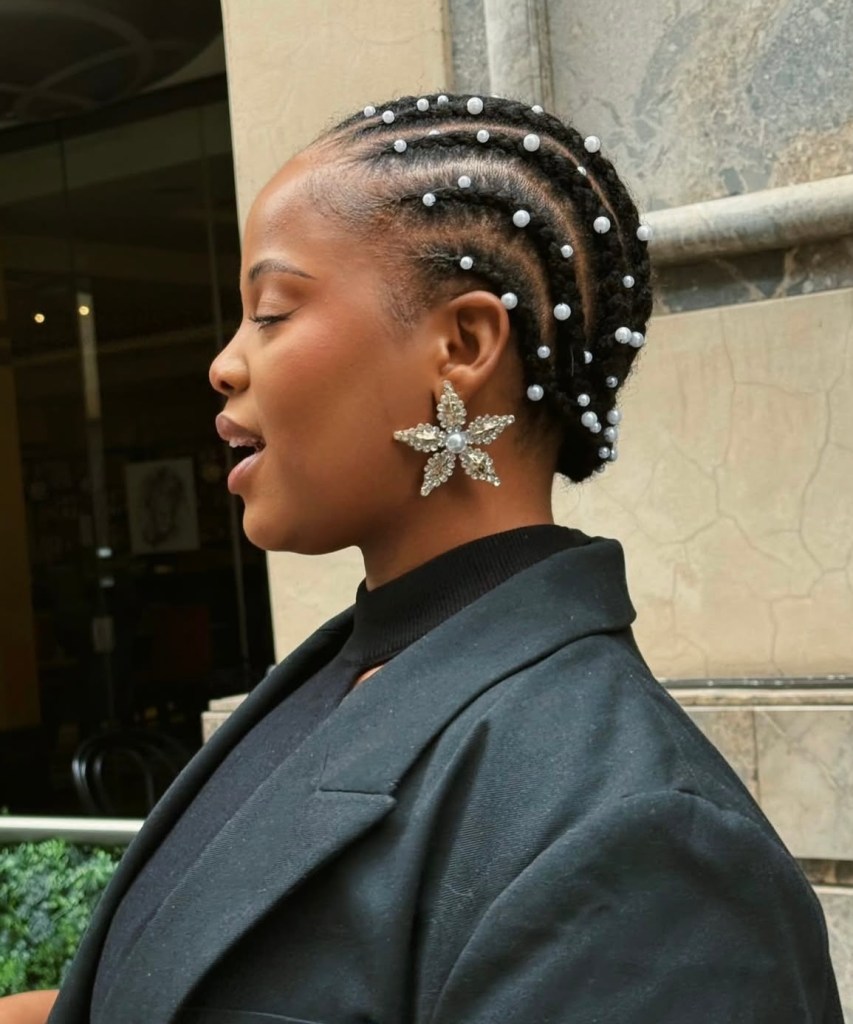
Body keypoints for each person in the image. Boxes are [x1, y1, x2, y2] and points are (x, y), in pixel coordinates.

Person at [3, 92, 841, 1024]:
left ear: (462, 345)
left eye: (271, 313)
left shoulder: (641, 836)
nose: (224, 364)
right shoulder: (338, 679)